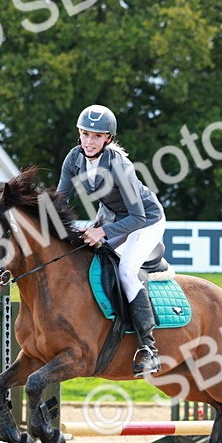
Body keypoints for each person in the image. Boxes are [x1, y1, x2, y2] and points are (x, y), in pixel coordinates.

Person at [57, 104, 166, 375]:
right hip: (112, 217)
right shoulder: (74, 158)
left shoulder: (119, 164)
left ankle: (148, 348)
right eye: (85, 134)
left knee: (126, 271)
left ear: (108, 138)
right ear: (79, 134)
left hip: (146, 220)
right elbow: (59, 203)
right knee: (83, 256)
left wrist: (101, 232)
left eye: (97, 136)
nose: (89, 141)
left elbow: (138, 217)